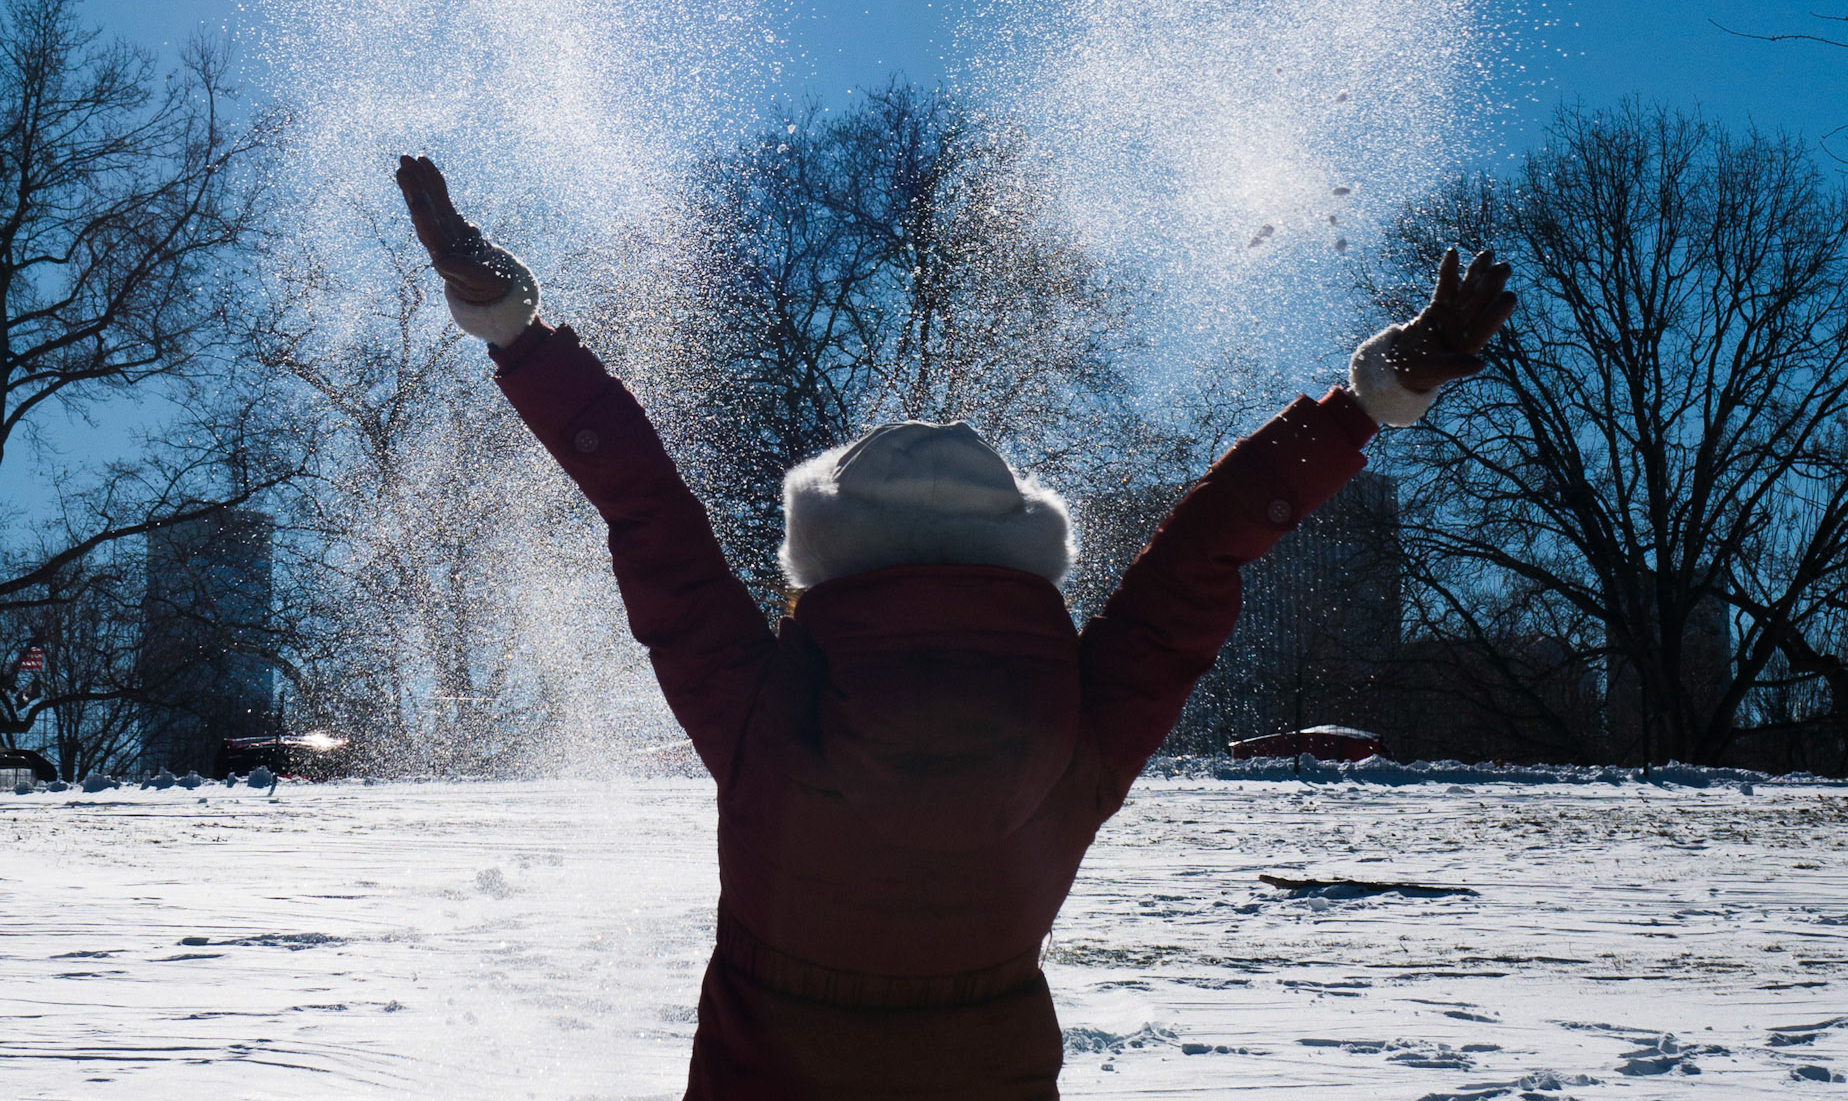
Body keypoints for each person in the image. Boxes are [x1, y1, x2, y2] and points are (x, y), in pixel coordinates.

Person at [394, 154, 1514, 1100]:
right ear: (1018, 552)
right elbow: (1202, 553)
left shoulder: (770, 712)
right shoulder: (1075, 725)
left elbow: (645, 502)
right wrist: (1373, 398)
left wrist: (513, 327)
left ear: (827, 558)